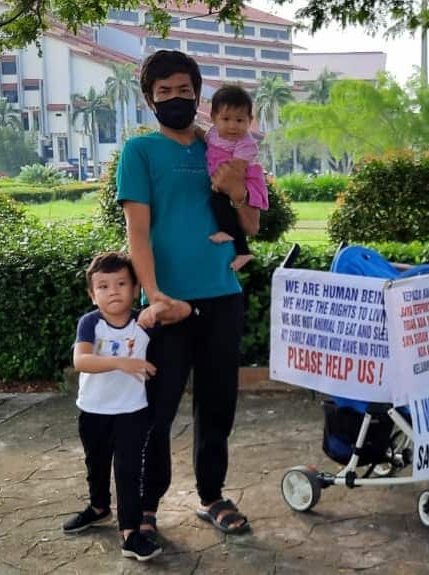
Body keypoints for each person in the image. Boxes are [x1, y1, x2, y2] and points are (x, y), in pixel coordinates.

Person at [116, 50, 261, 539]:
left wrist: (238, 192)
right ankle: (149, 504)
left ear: (198, 95)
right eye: (164, 92)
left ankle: (212, 496)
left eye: (184, 90)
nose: (175, 98)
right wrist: (153, 295)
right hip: (165, 306)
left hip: (222, 295)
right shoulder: (141, 152)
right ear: (149, 99)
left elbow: (251, 227)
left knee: (217, 404)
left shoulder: (223, 148)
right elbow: (138, 231)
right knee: (157, 409)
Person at [62, 251, 191, 562]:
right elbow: (81, 361)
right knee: (96, 464)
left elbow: (185, 311)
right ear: (93, 295)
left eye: (121, 283)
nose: (113, 291)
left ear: (135, 289)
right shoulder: (90, 323)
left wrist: (158, 306)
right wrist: (123, 362)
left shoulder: (143, 323)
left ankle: (130, 533)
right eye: (103, 286)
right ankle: (98, 507)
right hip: (93, 411)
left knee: (128, 471)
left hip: (132, 413)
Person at [198, 85, 268, 271]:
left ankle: (235, 241)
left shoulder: (246, 143)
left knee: (220, 204)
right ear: (213, 118)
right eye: (226, 119)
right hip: (222, 179)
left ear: (249, 120)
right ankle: (242, 250)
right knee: (220, 206)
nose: (232, 126)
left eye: (239, 120)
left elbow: (237, 170)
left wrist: (221, 186)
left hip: (240, 180)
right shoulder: (213, 133)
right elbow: (204, 138)